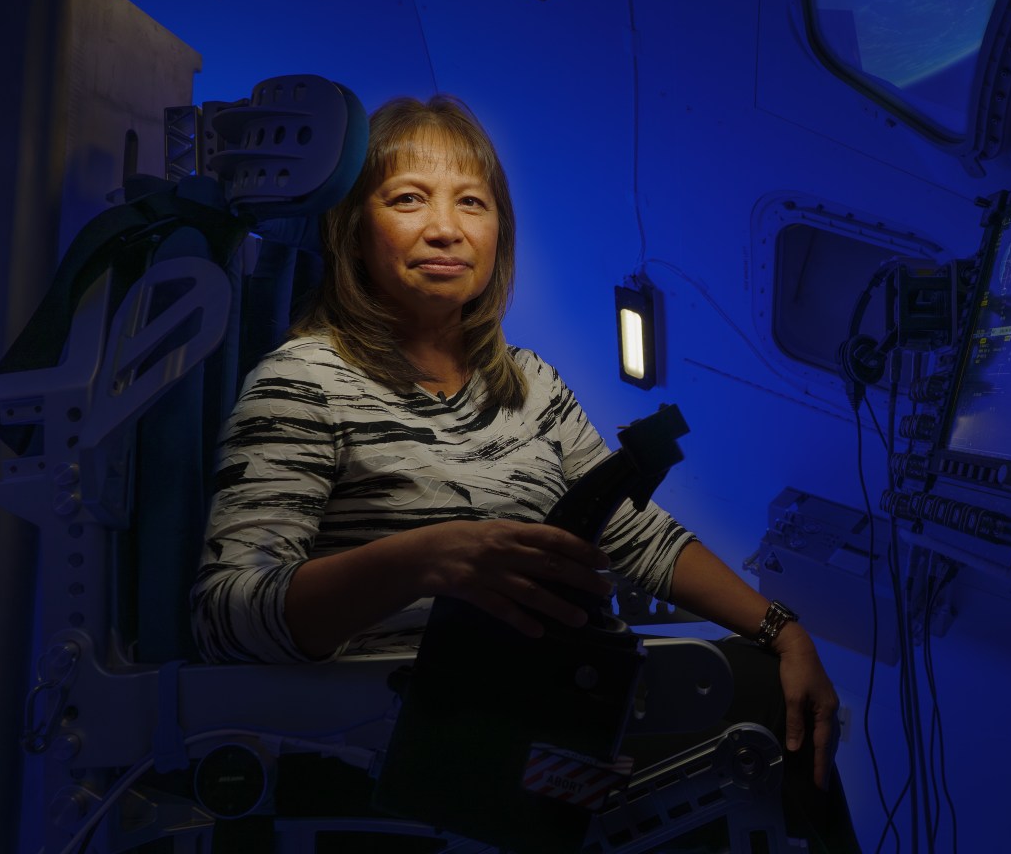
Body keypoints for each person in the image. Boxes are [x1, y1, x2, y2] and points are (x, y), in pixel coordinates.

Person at [190, 94, 859, 851]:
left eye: (471, 202)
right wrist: (422, 561)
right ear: (353, 230)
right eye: (408, 199)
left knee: (774, 687)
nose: (445, 228)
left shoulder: (529, 382)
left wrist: (784, 630)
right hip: (415, 737)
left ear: (498, 232)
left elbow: (636, 534)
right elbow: (227, 619)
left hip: (559, 702)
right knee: (759, 720)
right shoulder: (303, 379)